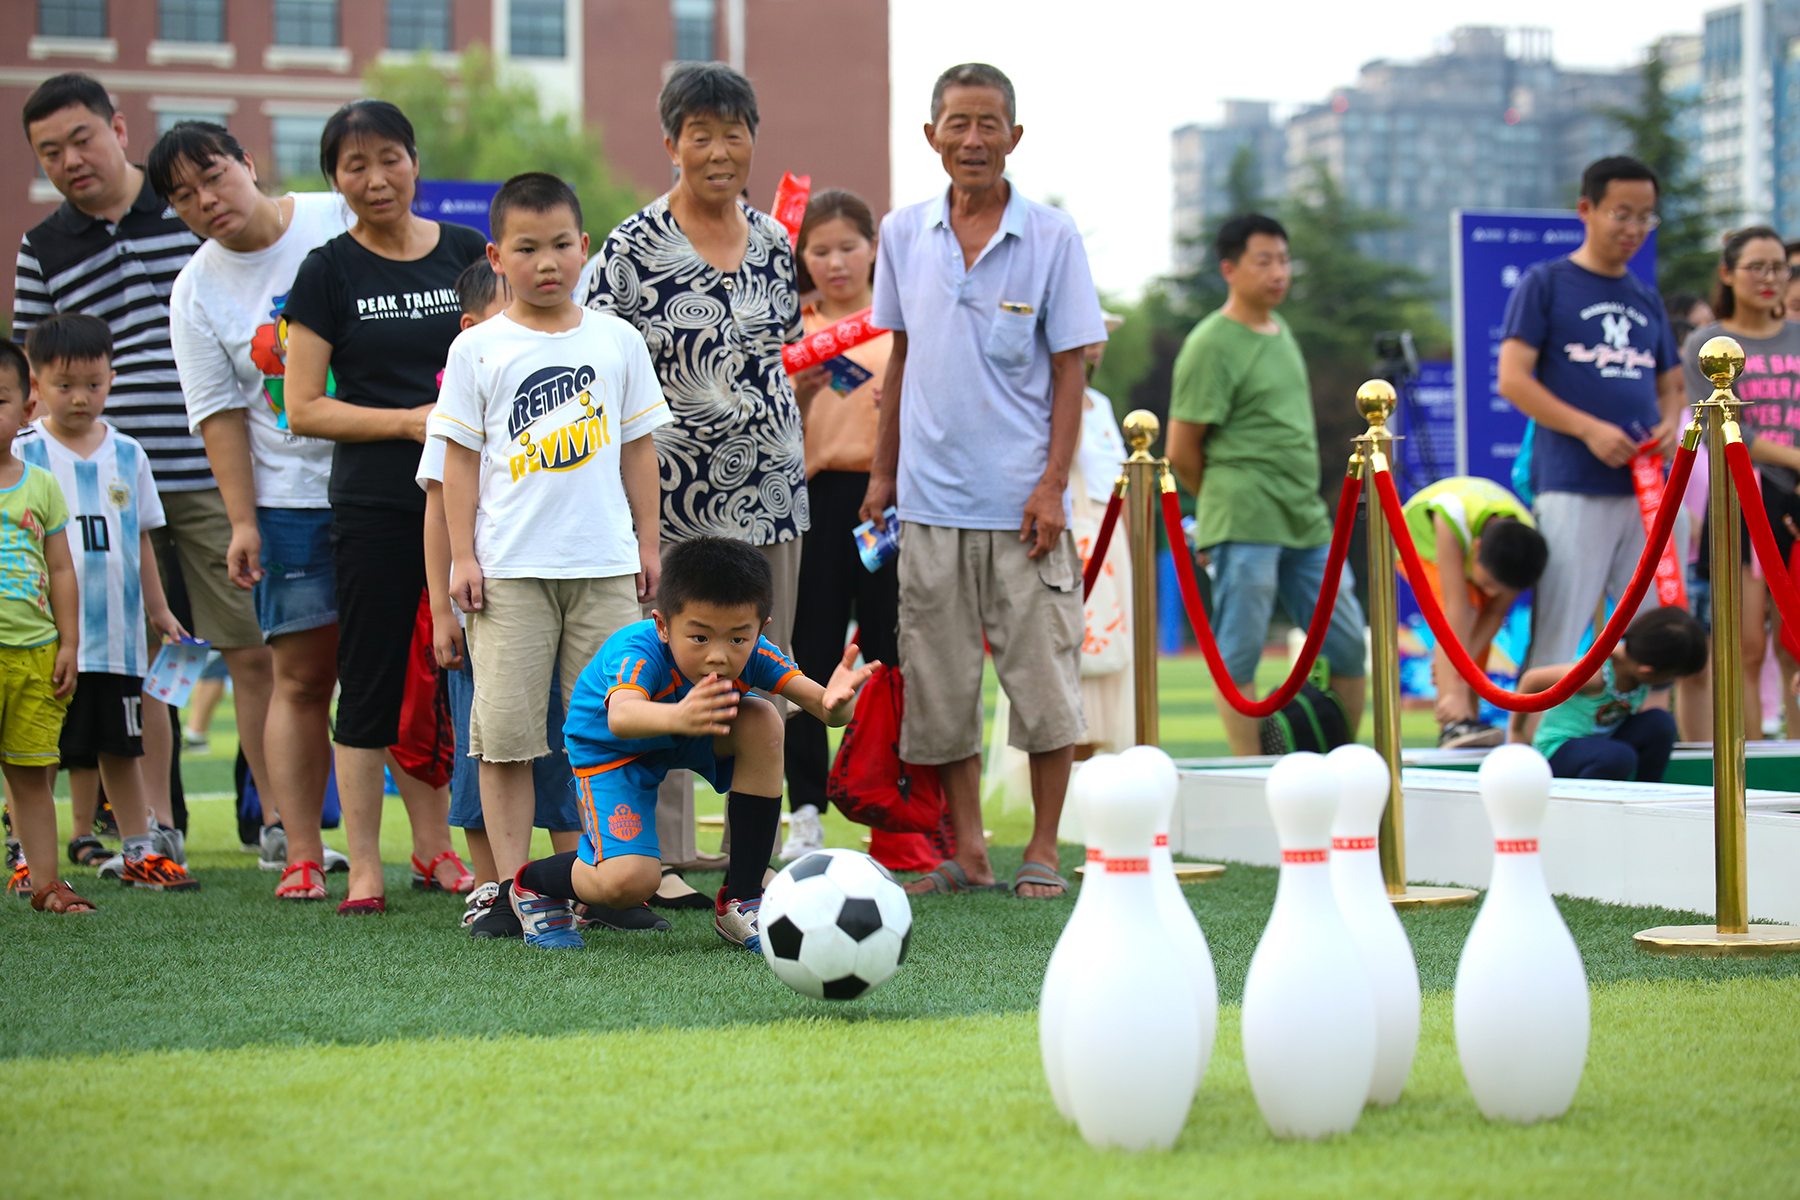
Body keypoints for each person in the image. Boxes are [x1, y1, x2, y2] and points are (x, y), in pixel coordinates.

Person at [860, 63, 1105, 898]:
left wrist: (1051, 485)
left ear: (1015, 136)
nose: (973, 140)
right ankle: (967, 850)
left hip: (1023, 508)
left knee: (1043, 686)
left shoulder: (1052, 237)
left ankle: (1040, 847)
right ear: (931, 136)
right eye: (958, 123)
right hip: (927, 507)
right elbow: (899, 359)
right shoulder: (900, 233)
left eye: (989, 124)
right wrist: (882, 473)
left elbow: (1071, 368)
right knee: (941, 686)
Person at [15, 73, 275, 842]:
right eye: (49, 152)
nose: (70, 160)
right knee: (143, 661)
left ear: (119, 128)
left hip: (211, 478)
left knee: (250, 651)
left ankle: (279, 825)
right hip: (102, 490)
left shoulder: (193, 205)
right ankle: (154, 824)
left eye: (81, 139)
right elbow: (34, 377)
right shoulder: (43, 248)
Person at [582, 63, 807, 879]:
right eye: (700, 133)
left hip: (771, 491)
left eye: (734, 132)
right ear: (671, 143)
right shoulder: (631, 246)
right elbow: (595, 364)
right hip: (672, 495)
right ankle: (663, 852)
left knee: (760, 662)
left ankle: (752, 851)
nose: (719, 149)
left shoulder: (779, 240)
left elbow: (778, 351)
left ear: (753, 138)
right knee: (666, 666)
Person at [430, 174, 671, 934]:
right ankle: (514, 890)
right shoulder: (477, 349)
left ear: (584, 248)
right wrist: (461, 559)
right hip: (508, 574)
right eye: (527, 249)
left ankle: (609, 884)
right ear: (497, 255)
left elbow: (638, 450)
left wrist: (648, 542)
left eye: (561, 245)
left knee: (606, 727)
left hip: (603, 568)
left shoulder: (616, 340)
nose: (546, 263)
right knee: (504, 738)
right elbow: (459, 464)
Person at [282, 99, 486, 913]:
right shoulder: (327, 271)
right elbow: (304, 406)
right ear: (335, 179)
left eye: (389, 158)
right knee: (367, 681)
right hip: (374, 503)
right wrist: (408, 421)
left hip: (476, 502)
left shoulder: (469, 251)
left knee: (461, 675)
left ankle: (443, 850)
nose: (376, 178)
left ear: (413, 159)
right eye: (354, 166)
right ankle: (366, 865)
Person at [152, 120, 353, 900]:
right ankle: (299, 847)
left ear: (248, 162)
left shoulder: (335, 218)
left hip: (392, 485)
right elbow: (219, 414)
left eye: (214, 177)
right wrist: (242, 521)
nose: (206, 201)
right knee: (296, 679)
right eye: (183, 197)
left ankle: (436, 847)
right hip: (290, 501)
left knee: (408, 676)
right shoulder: (196, 288)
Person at [508, 537, 875, 950]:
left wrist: (837, 703)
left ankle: (742, 897)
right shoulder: (639, 649)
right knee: (631, 881)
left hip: (684, 733)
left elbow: (824, 710)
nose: (719, 655)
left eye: (738, 638)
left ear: (760, 628)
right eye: (700, 637)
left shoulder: (755, 650)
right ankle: (534, 885)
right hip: (612, 751)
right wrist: (680, 717)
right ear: (663, 625)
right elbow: (623, 715)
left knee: (763, 718)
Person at [1165, 213, 1368, 758]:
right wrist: (1224, 508)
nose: (1279, 272)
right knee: (1240, 656)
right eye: (1264, 261)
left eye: (1284, 260)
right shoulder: (1210, 342)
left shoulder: (1283, 333)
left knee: (1348, 645)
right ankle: (1250, 774)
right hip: (1244, 518)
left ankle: (1338, 758)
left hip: (1305, 517)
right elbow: (1181, 451)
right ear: (1229, 269)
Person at [17, 314, 198, 893]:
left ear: (112, 379)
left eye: (93, 384)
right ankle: (26, 852)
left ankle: (140, 849)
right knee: (38, 751)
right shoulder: (25, 454)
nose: (80, 397)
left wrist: (159, 609)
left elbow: (140, 536)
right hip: (44, 639)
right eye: (64, 384)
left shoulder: (128, 453)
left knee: (123, 745)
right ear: (35, 384)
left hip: (118, 638)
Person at [1497, 157, 1685, 692]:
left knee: (1653, 635)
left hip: (1647, 492)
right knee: (1560, 632)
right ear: (1587, 209)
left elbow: (1671, 385)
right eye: (1622, 214)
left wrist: (1671, 424)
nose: (1634, 229)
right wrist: (1588, 429)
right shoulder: (1547, 283)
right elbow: (1513, 380)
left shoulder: (1645, 296)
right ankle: (1535, 751)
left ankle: (1642, 744)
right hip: (1573, 485)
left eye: (1646, 217)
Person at [779, 189, 895, 862]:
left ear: (874, 248)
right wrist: (797, 395)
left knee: (886, 655)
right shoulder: (794, 327)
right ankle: (805, 811)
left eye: (848, 246)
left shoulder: (899, 322)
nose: (835, 262)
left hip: (887, 504)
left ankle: (891, 809)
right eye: (818, 250)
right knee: (807, 659)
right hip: (814, 503)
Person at [1682, 225, 1800, 740]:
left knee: (1795, 647)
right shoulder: (1706, 343)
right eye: (1757, 267)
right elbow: (1717, 429)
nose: (1770, 278)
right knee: (1746, 647)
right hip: (1744, 499)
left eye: (1779, 267)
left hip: (1796, 496)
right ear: (1728, 274)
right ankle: (1754, 776)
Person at [0, 339, 86, 910]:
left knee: (32, 776)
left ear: (27, 409)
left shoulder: (40, 484)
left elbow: (60, 567)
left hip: (34, 654)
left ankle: (46, 884)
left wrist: (69, 643)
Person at [1398, 477, 1548, 748]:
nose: (1491, 593)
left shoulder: (1524, 545)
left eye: (1498, 590)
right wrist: (1454, 687)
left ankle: (1469, 720)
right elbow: (1455, 614)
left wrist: (1457, 667)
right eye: (1489, 584)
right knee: (1467, 609)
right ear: (1477, 548)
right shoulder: (1450, 517)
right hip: (1417, 547)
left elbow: (1494, 616)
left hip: (1470, 555)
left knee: (1476, 624)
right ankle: (1452, 722)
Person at [1525, 605, 1708, 781]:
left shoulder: (1638, 670)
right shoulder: (1595, 676)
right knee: (1619, 757)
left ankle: (1645, 795)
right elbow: (1532, 679)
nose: (1672, 681)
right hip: (1559, 752)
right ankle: (1585, 806)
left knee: (1661, 724)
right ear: (1648, 670)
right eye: (1671, 677)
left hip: (1604, 744)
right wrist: (1518, 733)